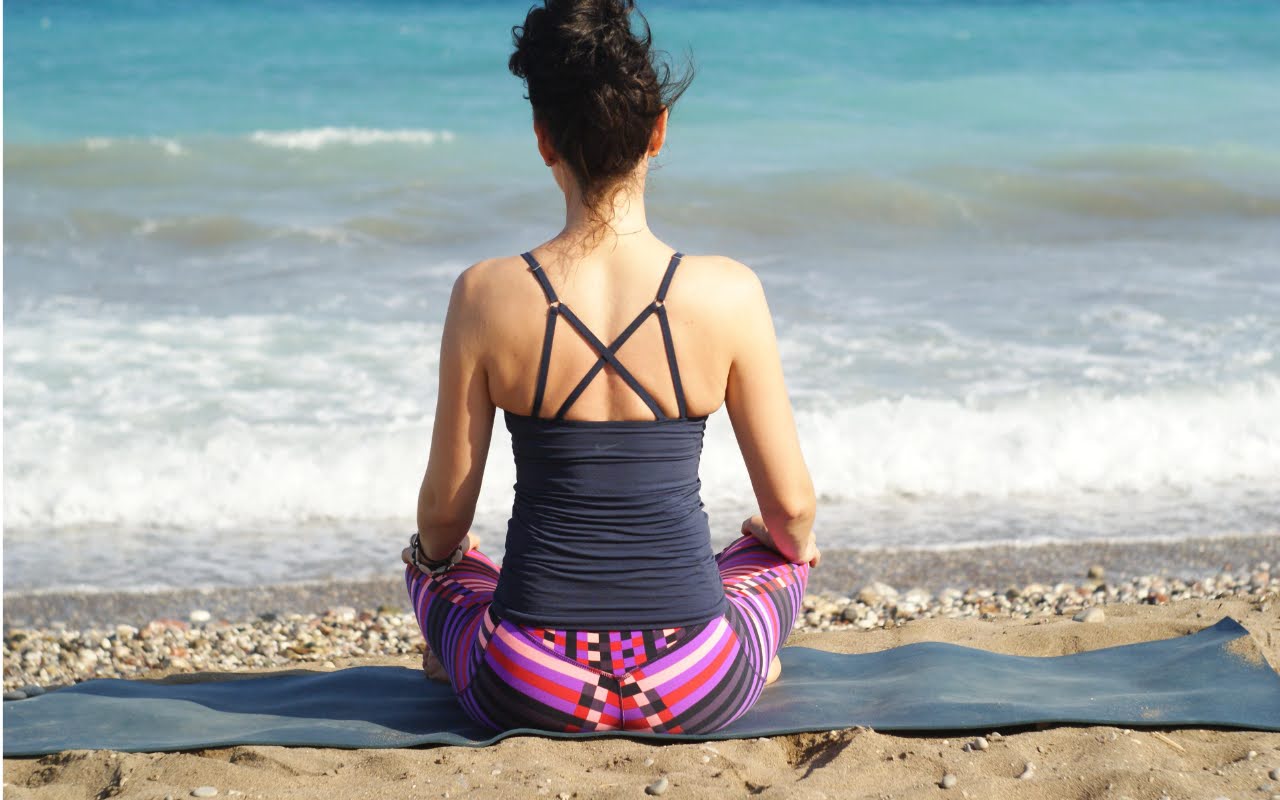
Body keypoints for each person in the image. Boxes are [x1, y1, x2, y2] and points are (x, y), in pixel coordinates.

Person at [402, 0, 818, 734]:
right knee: (775, 555)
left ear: (543, 141)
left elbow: (443, 518)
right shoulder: (729, 291)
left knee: (437, 567)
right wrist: (778, 544)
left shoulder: (484, 294)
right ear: (658, 132)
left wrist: (439, 563)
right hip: (692, 678)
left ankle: (455, 650)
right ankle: (755, 654)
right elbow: (792, 511)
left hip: (530, 679)